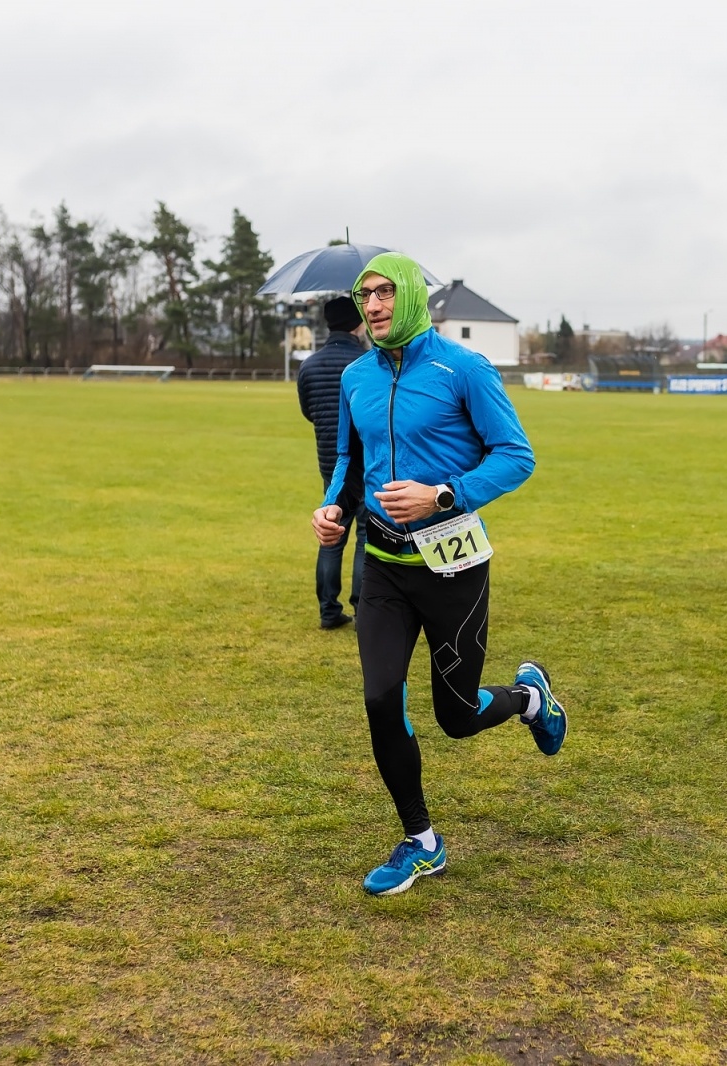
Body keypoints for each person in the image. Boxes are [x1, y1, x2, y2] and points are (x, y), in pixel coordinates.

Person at [310, 252, 566, 897]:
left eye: (385, 293)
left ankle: (530, 699)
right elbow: (350, 453)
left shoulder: (466, 369)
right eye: (365, 295)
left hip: (452, 567)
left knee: (456, 717)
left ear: (414, 298)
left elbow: (517, 456)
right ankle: (422, 842)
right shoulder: (355, 376)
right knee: (379, 699)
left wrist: (443, 496)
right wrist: (335, 507)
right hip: (384, 569)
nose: (373, 306)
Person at [298, 296, 369, 630]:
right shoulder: (368, 362)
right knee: (367, 538)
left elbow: (308, 412)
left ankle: (328, 610)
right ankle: (362, 608)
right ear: (358, 324)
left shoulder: (309, 365)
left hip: (329, 461)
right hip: (367, 463)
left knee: (331, 536)